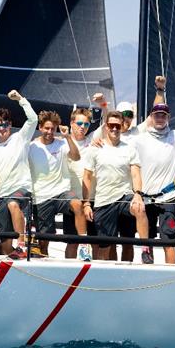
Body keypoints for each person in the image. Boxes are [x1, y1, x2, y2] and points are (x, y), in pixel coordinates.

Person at [128, 76, 175, 264]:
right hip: (145, 198)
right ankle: (147, 259)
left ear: (169, 118)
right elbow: (114, 133)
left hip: (168, 198)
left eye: (164, 115)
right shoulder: (139, 136)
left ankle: (171, 273)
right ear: (151, 117)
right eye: (156, 115)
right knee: (148, 241)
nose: (160, 118)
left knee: (168, 241)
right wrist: (159, 91)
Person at [82, 110, 153, 263]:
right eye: (111, 125)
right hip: (104, 201)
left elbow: (135, 174)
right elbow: (87, 177)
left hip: (123, 197)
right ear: (106, 127)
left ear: (122, 126)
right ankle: (109, 279)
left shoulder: (130, 148)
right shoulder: (94, 149)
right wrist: (86, 203)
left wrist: (138, 194)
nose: (114, 129)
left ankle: (145, 250)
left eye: (118, 126)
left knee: (139, 210)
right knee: (107, 248)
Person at [28, 110, 91, 261]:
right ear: (41, 128)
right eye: (47, 128)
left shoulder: (62, 143)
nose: (50, 132)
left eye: (53, 129)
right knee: (44, 242)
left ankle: (83, 245)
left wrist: (67, 137)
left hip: (62, 191)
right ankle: (44, 265)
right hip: (41, 197)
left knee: (77, 204)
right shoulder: (31, 147)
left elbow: (76, 157)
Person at [0, 90, 38, 259]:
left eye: (4, 125)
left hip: (21, 188)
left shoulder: (20, 138)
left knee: (13, 203)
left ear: (10, 125)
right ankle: (13, 261)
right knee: (5, 242)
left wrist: (20, 99)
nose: (1, 129)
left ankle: (22, 245)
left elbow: (33, 119)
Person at [64, 107, 99, 259]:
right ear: (71, 123)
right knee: (72, 242)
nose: (82, 127)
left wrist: (102, 104)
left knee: (96, 242)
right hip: (72, 198)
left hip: (92, 198)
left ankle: (97, 277)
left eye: (86, 124)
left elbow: (108, 124)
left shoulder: (93, 140)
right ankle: (67, 276)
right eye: (79, 123)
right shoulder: (61, 143)